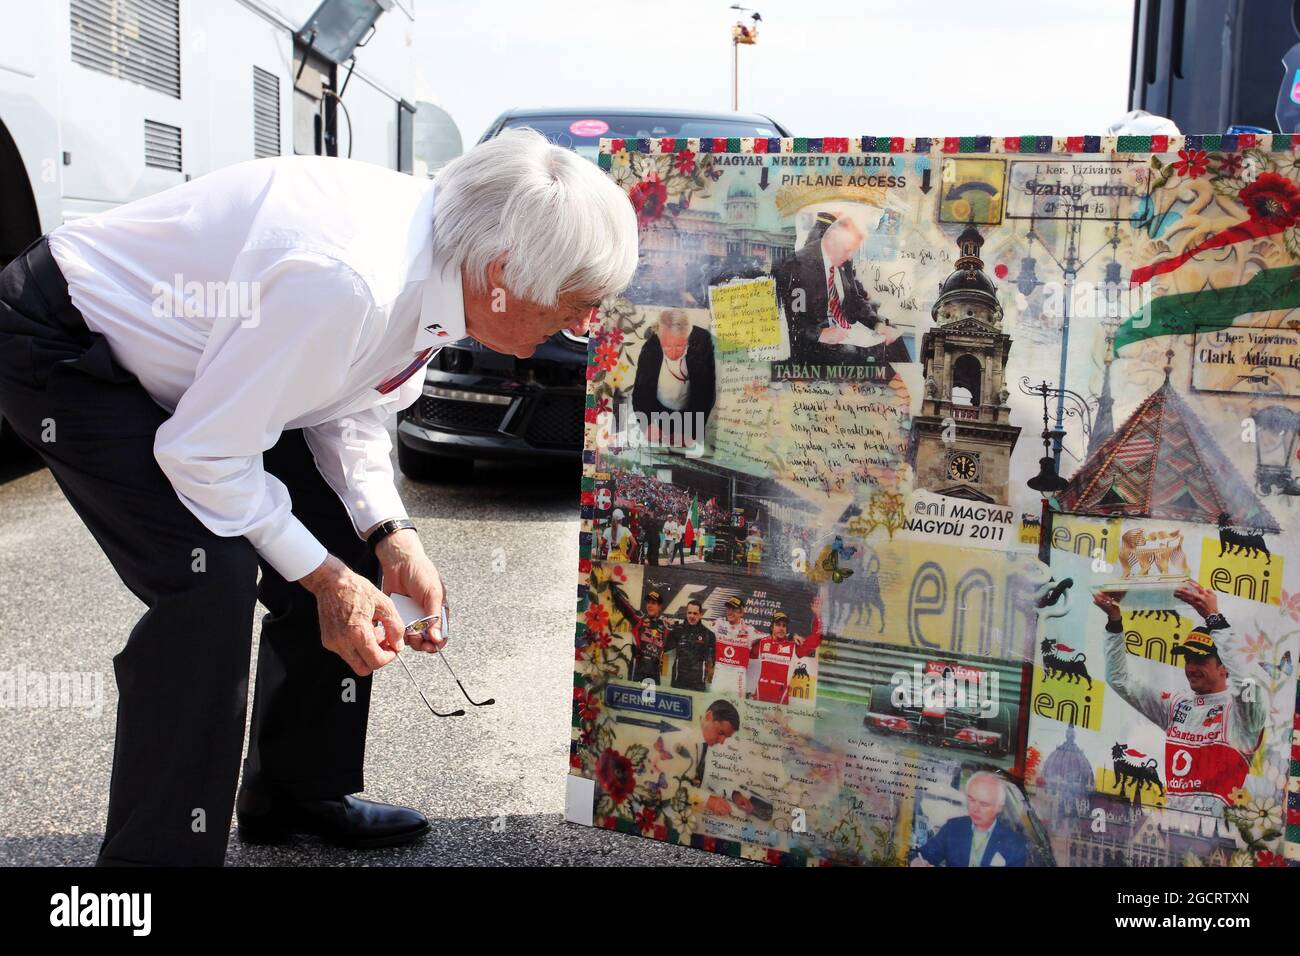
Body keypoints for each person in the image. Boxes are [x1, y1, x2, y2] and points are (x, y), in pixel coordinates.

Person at [0, 129, 638, 866]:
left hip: (204, 365)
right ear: (503, 271)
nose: (587, 327)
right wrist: (326, 579)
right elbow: (203, 453)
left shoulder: (445, 255)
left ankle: (294, 793)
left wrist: (390, 531)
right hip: (68, 342)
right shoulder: (350, 278)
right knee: (210, 580)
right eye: (580, 303)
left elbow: (352, 397)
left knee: (338, 540)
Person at [1094, 582, 1266, 815]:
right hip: (1174, 832)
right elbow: (1119, 681)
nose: (1192, 668)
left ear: (1223, 667)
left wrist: (1215, 620)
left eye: (1200, 660)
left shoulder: (1241, 715)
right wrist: (1114, 622)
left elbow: (1246, 683)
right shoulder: (1177, 706)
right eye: (1188, 659)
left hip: (1218, 838)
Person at [773, 212, 908, 368]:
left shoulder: (843, 261)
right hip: (814, 345)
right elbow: (787, 319)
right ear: (832, 240)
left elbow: (854, 300)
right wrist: (821, 334)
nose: (850, 257)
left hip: (845, 331)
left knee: (895, 340)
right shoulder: (797, 265)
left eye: (853, 252)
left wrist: (878, 325)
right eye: (848, 250)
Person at [629, 309, 715, 448]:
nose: (673, 353)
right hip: (657, 412)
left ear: (687, 338)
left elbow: (704, 393)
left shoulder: (701, 342)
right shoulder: (651, 347)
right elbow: (641, 393)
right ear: (660, 339)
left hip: (691, 414)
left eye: (679, 346)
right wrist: (648, 425)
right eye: (667, 346)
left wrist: (691, 432)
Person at [911, 772, 1027, 867]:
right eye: (971, 800)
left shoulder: (1015, 844)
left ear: (999, 807)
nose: (974, 809)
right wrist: (917, 862)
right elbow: (922, 854)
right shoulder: (954, 827)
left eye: (984, 804)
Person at [749, 610, 821, 704]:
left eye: (784, 626)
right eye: (778, 624)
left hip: (780, 702)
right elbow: (743, 650)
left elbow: (815, 639)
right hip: (759, 699)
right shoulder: (762, 643)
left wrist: (817, 616)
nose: (781, 628)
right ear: (772, 627)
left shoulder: (793, 646)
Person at [688, 700, 743, 817]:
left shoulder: (705, 743)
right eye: (721, 732)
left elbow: (709, 781)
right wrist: (708, 801)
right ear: (708, 716)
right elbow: (673, 788)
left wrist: (734, 795)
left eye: (726, 737)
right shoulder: (684, 739)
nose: (722, 741)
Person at [610, 588, 671, 685]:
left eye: (653, 603)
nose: (649, 606)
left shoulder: (665, 627)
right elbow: (625, 607)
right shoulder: (639, 620)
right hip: (638, 666)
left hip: (654, 670)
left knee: (653, 699)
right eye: (648, 603)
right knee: (635, 695)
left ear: (660, 607)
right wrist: (613, 591)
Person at [665, 600, 715, 692]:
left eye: (695, 613)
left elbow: (712, 661)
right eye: (689, 613)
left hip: (698, 683)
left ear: (701, 615)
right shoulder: (677, 631)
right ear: (686, 613)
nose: (692, 616)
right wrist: (668, 630)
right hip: (678, 681)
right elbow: (664, 649)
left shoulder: (709, 635)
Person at [710, 596, 753, 698]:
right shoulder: (719, 624)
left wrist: (791, 636)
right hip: (720, 677)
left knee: (737, 710)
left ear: (741, 612)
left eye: (734, 609)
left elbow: (771, 636)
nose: (730, 612)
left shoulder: (750, 630)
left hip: (737, 680)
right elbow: (700, 623)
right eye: (728, 609)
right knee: (714, 706)